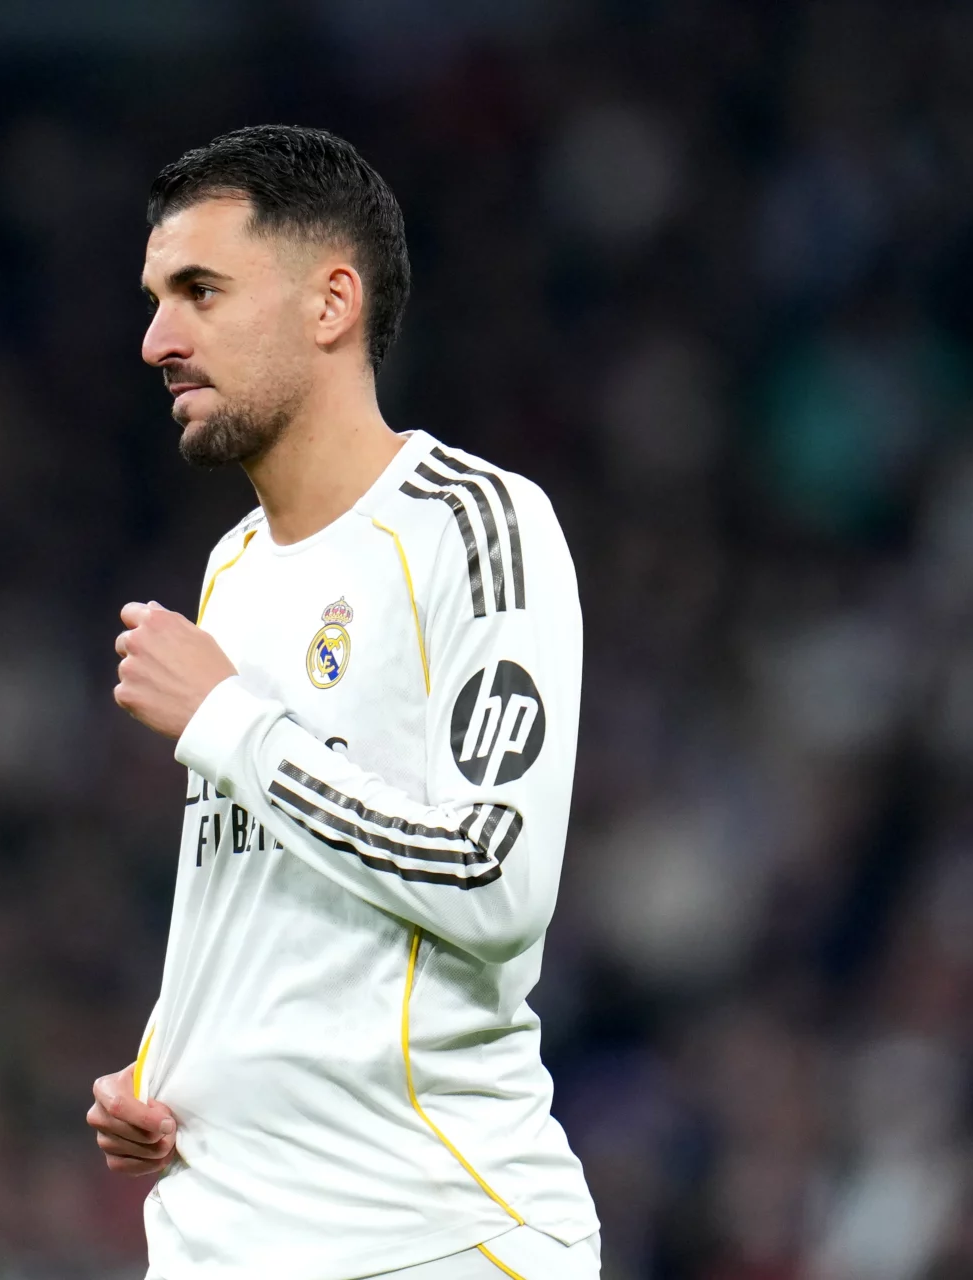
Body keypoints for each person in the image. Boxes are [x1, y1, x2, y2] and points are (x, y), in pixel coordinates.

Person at [88, 125, 602, 1280]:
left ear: (332, 304)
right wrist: (174, 1061)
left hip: (428, 1238)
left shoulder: (475, 527)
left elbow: (493, 877)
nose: (158, 339)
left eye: (201, 292)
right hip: (222, 1236)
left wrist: (234, 724)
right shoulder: (231, 572)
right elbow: (270, 883)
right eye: (157, 297)